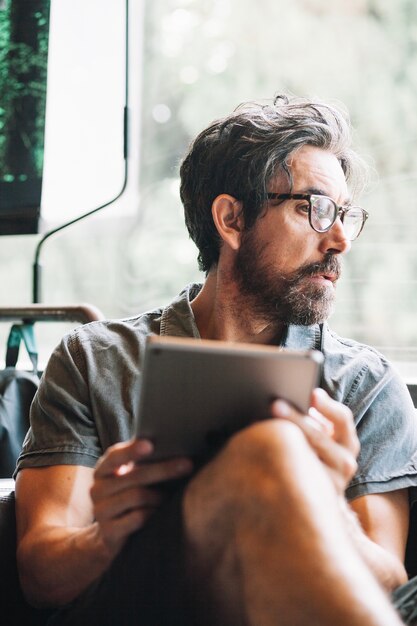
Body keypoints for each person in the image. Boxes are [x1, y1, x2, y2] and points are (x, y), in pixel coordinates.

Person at [14, 93, 417, 626]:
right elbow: (40, 578)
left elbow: (389, 586)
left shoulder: (365, 386)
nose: (340, 238)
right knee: (267, 448)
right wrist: (105, 535)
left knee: (270, 452)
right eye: (314, 209)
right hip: (139, 606)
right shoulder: (93, 362)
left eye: (345, 215)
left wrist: (323, 507)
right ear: (231, 219)